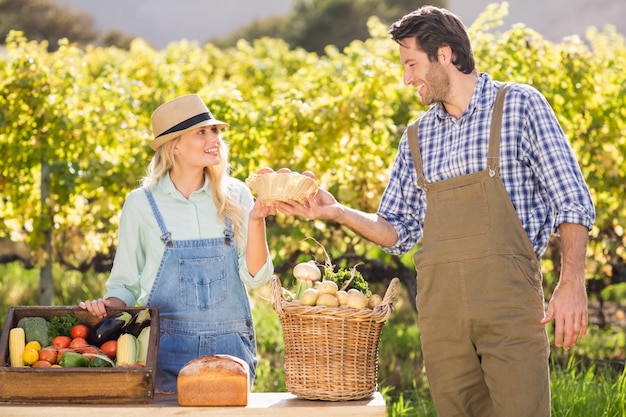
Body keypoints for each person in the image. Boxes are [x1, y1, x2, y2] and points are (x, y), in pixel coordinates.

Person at [273, 6, 595, 417]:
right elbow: (397, 231)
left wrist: (572, 283)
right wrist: (337, 212)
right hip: (442, 317)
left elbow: (572, 198)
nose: (407, 78)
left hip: (509, 307)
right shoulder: (416, 136)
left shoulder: (518, 106)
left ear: (445, 55)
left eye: (412, 64)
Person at [79, 94, 275, 393]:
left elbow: (256, 277)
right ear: (175, 146)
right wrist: (104, 307)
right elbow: (125, 286)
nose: (215, 139)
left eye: (215, 131)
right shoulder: (142, 204)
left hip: (230, 350)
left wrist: (257, 220)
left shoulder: (236, 195)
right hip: (164, 349)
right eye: (201, 132)